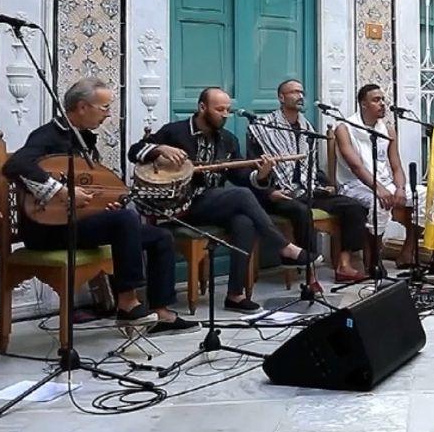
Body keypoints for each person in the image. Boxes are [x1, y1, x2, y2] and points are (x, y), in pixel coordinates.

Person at [3, 78, 198, 334]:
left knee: (160, 236)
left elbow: (89, 193)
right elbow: (15, 166)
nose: (108, 115)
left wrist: (101, 206)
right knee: (125, 221)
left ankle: (160, 313)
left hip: (76, 224)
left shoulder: (86, 141)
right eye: (104, 107)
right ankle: (127, 304)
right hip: (46, 229)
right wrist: (61, 191)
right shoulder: (47, 136)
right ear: (82, 107)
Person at [128, 87, 311, 313]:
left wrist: (262, 175)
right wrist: (159, 148)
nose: (225, 114)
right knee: (241, 196)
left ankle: (234, 295)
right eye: (219, 109)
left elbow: (241, 178)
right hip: (178, 206)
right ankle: (283, 246)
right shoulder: (175, 132)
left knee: (244, 223)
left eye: (228, 110)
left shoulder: (228, 140)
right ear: (202, 108)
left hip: (209, 206)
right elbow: (134, 151)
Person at [246, 79, 370, 283]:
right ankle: (310, 271)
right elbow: (254, 169)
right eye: (294, 92)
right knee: (301, 212)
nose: (300, 96)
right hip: (277, 193)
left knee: (354, 207)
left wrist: (325, 183)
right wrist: (269, 192)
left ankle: (344, 265)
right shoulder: (261, 128)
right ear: (281, 97)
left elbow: (310, 164)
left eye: (301, 92)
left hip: (308, 189)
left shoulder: (306, 127)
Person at [333, 84, 421, 271]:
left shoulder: (388, 130)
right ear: (363, 104)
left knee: (423, 196)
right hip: (354, 185)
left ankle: (408, 251)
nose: (382, 104)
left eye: (383, 99)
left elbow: (396, 166)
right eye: (376, 100)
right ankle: (373, 258)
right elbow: (356, 166)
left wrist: (400, 187)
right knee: (378, 202)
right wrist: (378, 188)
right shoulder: (344, 128)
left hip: (385, 183)